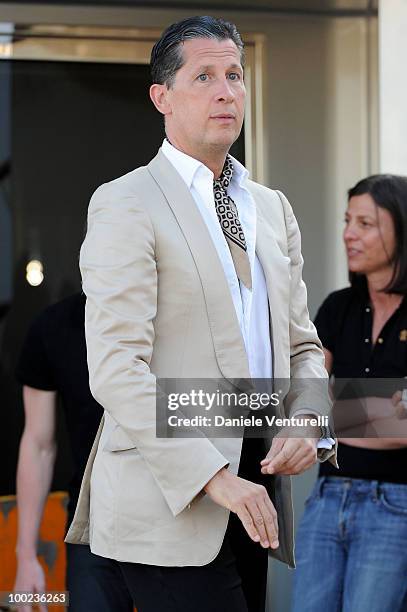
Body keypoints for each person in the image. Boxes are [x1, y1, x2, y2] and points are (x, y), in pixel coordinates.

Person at [66, 16, 337, 612]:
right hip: (169, 498)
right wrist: (214, 477)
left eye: (235, 75)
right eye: (205, 76)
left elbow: (302, 345)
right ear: (161, 97)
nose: (226, 91)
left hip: (258, 483)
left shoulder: (270, 206)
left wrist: (309, 418)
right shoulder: (125, 201)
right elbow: (116, 368)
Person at [292, 174, 407, 612]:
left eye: (365, 223)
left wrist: (324, 412)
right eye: (347, 221)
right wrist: (384, 406)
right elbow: (300, 396)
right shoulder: (338, 306)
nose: (348, 234)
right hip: (327, 495)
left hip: (396, 503)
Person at [13, 293, 133, 612]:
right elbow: (38, 446)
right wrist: (25, 556)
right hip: (94, 528)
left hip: (180, 524)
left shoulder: (181, 317)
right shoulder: (55, 325)